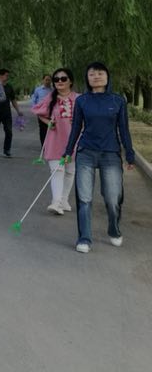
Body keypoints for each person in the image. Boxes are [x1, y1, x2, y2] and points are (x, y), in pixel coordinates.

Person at [63, 62, 135, 254]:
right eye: (92, 74)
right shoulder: (82, 101)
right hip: (86, 152)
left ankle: (114, 228)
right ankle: (84, 238)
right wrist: (68, 151)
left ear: (107, 76)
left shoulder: (117, 100)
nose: (96, 76)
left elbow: (124, 129)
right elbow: (76, 127)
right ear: (87, 78)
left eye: (100, 73)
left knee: (113, 197)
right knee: (84, 197)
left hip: (110, 153)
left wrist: (129, 154)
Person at [31, 68, 78, 215]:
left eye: (63, 79)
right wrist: (48, 122)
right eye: (56, 79)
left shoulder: (79, 99)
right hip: (55, 139)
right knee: (57, 170)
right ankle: (56, 202)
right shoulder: (50, 98)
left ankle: (64, 200)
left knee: (70, 171)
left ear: (70, 81)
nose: (59, 81)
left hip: (75, 140)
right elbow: (39, 112)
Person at [0, 68, 22, 157]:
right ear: (1, 75)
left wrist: (18, 110)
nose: (7, 77)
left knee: (9, 131)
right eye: (6, 75)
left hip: (6, 112)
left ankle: (7, 150)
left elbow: (13, 100)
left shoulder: (9, 87)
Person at [31, 74, 53, 147]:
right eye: (46, 80)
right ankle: (43, 146)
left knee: (50, 129)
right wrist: (35, 109)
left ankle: (49, 146)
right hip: (41, 113)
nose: (47, 81)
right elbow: (34, 100)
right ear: (43, 80)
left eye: (49, 80)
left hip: (51, 113)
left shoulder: (53, 90)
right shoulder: (38, 90)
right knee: (42, 130)